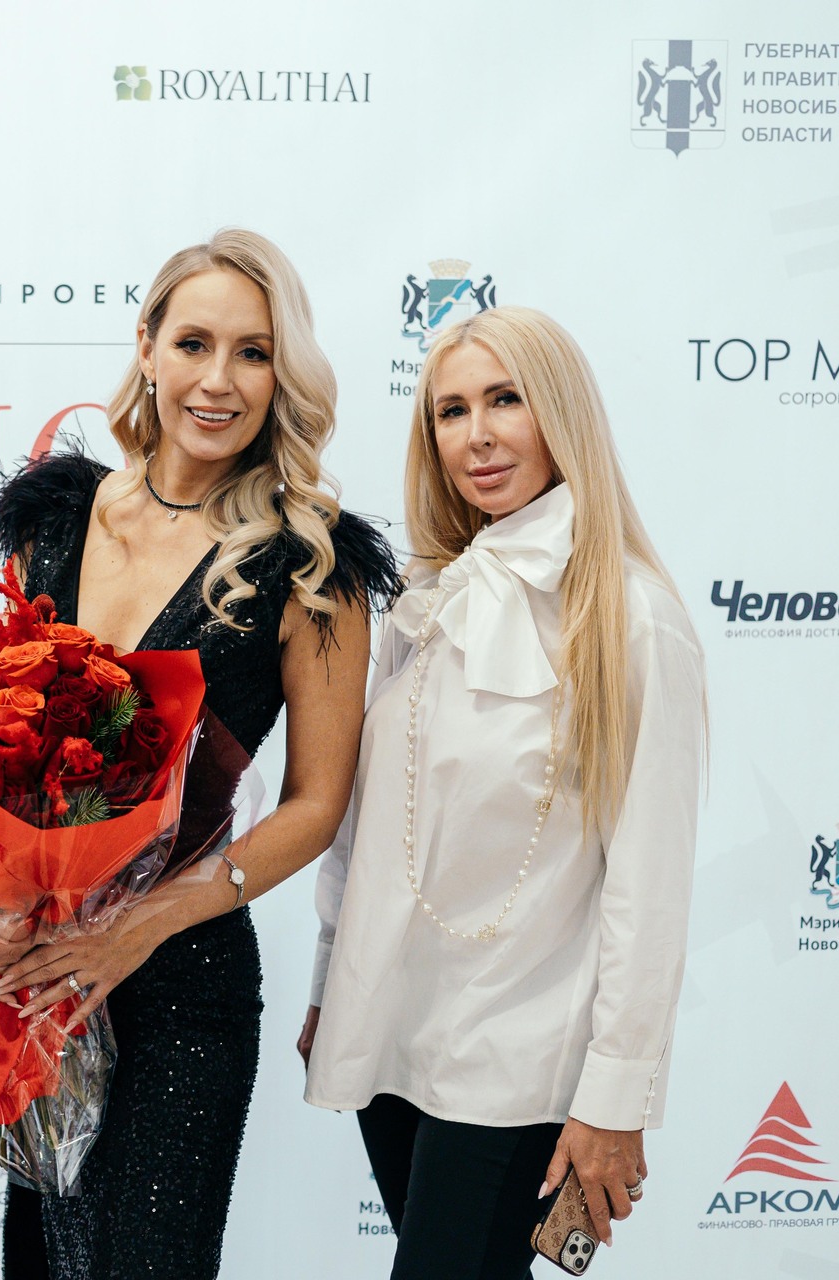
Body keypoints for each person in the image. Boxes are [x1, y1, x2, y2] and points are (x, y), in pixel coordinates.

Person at [0, 228, 402, 1279]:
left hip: (184, 985)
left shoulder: (312, 567)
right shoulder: (54, 519)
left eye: (254, 352)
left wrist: (139, 926)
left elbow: (317, 802)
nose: (219, 379)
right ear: (146, 345)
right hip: (39, 980)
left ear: (282, 376)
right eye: (194, 342)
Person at [301, 307, 705, 1279]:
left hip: (522, 1059)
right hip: (393, 1035)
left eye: (505, 400)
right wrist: (330, 986)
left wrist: (616, 1097)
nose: (476, 435)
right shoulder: (426, 599)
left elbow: (649, 888)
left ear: (560, 413)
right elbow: (367, 827)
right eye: (451, 411)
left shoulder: (635, 620)